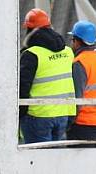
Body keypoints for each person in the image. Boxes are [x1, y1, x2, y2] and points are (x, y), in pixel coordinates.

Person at [19, 8, 76, 144]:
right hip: (63, 113)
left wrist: (20, 113)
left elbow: (22, 86)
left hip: (38, 115)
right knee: (55, 161)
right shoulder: (68, 52)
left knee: (37, 161)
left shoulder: (31, 54)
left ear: (29, 29)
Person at [67, 21, 96, 142]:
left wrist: (69, 123)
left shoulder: (79, 62)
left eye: (73, 40)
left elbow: (77, 98)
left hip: (83, 124)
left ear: (77, 41)